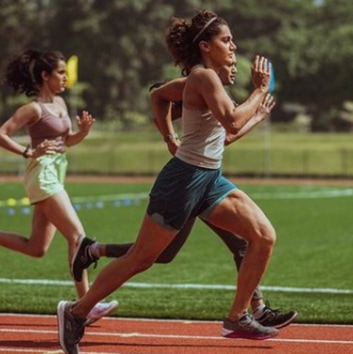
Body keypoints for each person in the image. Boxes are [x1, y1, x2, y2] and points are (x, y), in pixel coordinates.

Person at [57, 10, 286, 353]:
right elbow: (234, 123)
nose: (233, 46)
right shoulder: (204, 78)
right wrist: (259, 91)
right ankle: (76, 312)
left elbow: (159, 97)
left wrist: (168, 136)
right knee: (141, 259)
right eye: (226, 40)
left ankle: (239, 315)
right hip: (183, 180)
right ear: (206, 46)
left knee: (263, 236)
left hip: (210, 179)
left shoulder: (205, 81)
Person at [0, 49, 118, 326]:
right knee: (78, 238)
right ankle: (86, 304)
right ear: (45, 75)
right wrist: (29, 152)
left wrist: (82, 134)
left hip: (55, 174)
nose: (65, 78)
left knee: (37, 247)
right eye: (60, 73)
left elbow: (65, 142)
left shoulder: (61, 104)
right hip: (42, 176)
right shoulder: (33, 109)